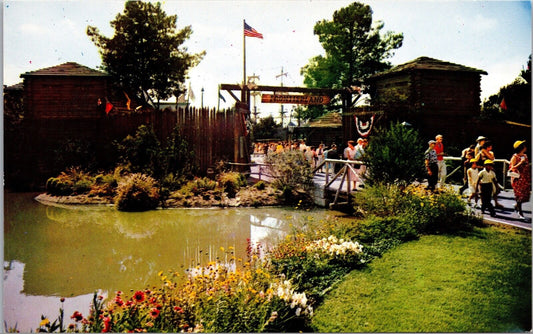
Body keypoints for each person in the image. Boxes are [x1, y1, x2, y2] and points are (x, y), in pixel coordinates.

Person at [508, 140, 531, 220]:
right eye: (524, 146)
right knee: (519, 196)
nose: (525, 147)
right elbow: (511, 168)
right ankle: (520, 211)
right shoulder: (515, 157)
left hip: (525, 178)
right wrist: (520, 163)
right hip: (518, 179)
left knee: (525, 196)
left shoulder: (525, 156)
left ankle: (517, 205)